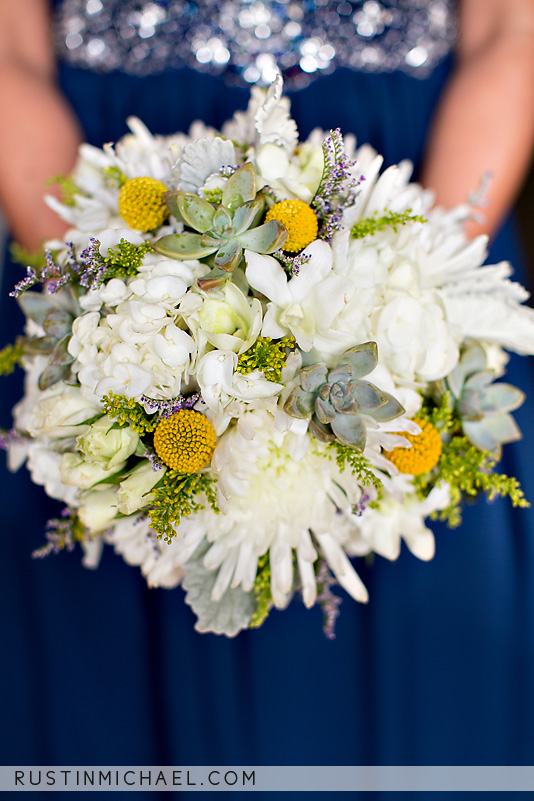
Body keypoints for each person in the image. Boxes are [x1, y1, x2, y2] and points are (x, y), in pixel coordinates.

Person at [1, 0, 534, 790]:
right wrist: (102, 299)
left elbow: (508, 32)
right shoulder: (101, 283)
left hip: (407, 189)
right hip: (101, 194)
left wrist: (419, 288)